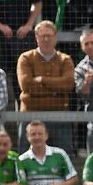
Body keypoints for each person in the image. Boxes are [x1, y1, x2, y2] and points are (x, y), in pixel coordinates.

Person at [16, 20, 74, 154]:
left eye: (49, 35)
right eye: (43, 36)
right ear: (36, 38)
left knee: (63, 159)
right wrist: (55, 90)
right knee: (25, 159)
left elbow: (69, 84)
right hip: (30, 117)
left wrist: (42, 80)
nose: (46, 39)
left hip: (59, 117)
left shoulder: (65, 59)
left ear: (55, 37)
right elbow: (27, 85)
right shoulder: (25, 58)